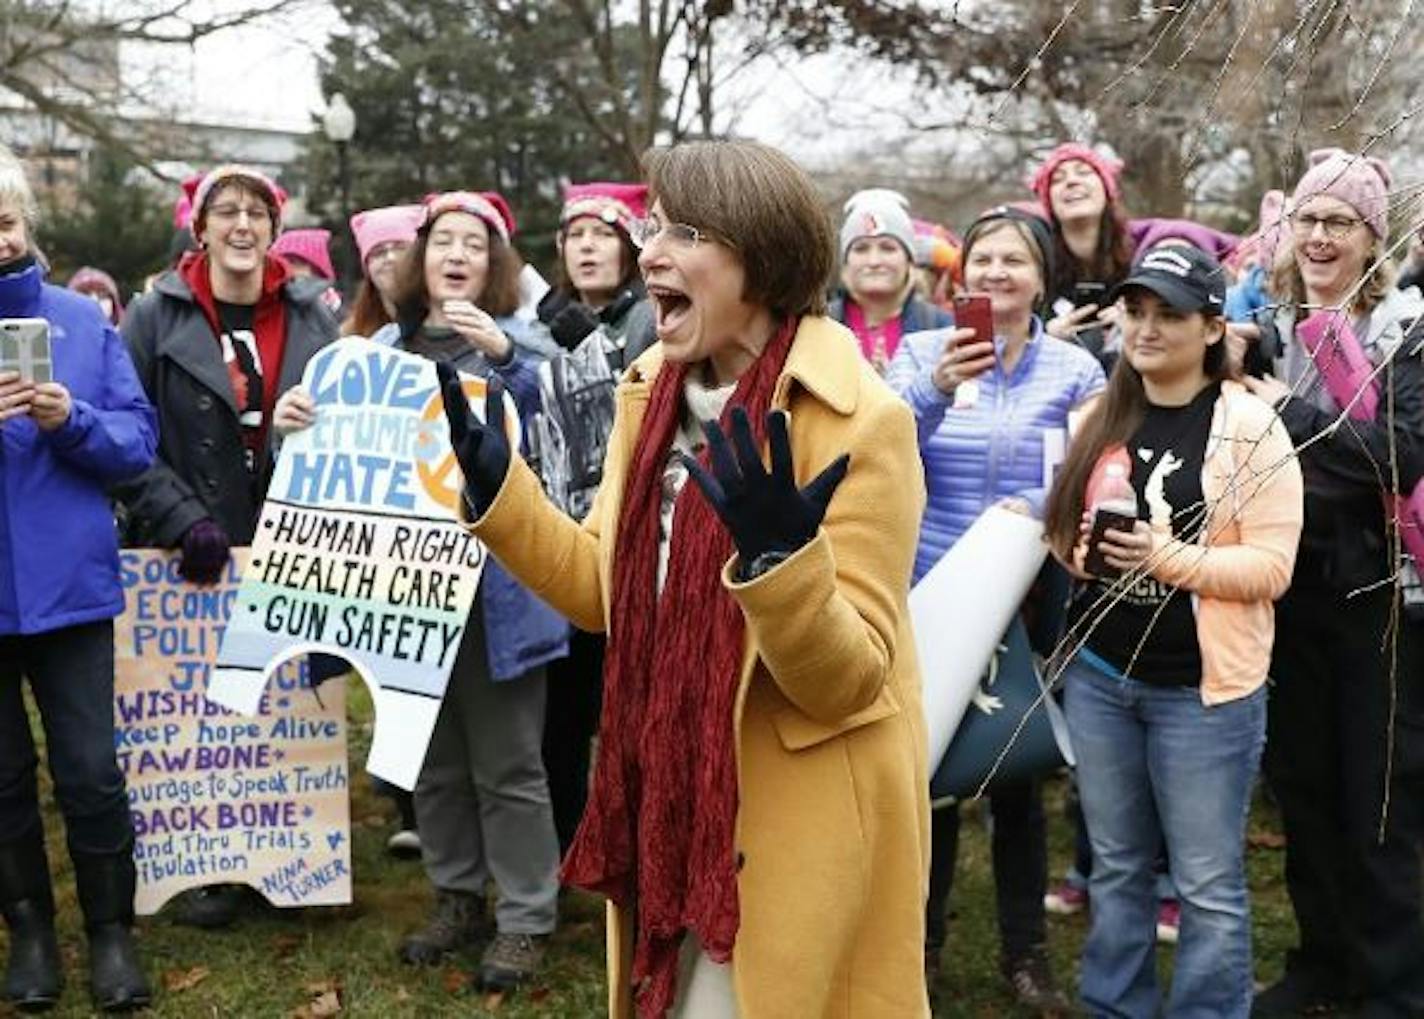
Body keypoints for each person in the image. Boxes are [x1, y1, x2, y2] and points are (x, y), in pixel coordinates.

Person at [439, 140, 930, 1017]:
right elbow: (604, 591)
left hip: (793, 818)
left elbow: (851, 680)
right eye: (654, 227)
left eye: (686, 231)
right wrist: (503, 493)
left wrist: (784, 565)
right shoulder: (651, 392)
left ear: (763, 257)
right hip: (670, 793)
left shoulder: (863, 420)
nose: (650, 251)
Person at [278, 190, 569, 992]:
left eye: (476, 244)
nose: (458, 254)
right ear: (419, 256)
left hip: (497, 591)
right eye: (445, 240)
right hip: (404, 588)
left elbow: (571, 421)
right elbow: (329, 464)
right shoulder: (372, 347)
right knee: (432, 758)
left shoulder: (525, 343)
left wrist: (509, 361)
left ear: (496, 265)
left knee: (509, 763)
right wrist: (295, 423)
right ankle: (456, 895)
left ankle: (524, 915)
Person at [1041, 243, 1303, 1017]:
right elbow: (1063, 540)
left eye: (1169, 314)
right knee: (1117, 865)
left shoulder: (1251, 425)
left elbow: (1271, 568)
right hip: (1101, 676)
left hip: (1204, 694)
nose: (1146, 329)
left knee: (1206, 881)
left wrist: (1167, 556)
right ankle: (1114, 1004)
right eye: (1136, 311)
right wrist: (1080, 542)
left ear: (1213, 327)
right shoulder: (1095, 415)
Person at [886, 204, 1104, 1011]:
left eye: (1015, 261)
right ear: (959, 275)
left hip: (1027, 593)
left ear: (1042, 276)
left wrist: (1039, 510)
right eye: (983, 260)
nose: (996, 274)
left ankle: (1026, 953)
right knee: (929, 770)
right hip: (928, 590)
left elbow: (1091, 465)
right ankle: (919, 947)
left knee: (1017, 773)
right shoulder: (919, 350)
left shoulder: (1076, 370)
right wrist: (936, 387)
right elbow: (876, 447)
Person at [113, 164, 339, 929]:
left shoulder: (314, 314)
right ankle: (209, 866)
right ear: (199, 226)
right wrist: (180, 519)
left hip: (287, 537)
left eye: (257, 213)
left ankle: (287, 855)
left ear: (276, 230)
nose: (241, 226)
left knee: (280, 702)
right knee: (200, 714)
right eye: (226, 212)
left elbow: (345, 425)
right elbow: (124, 432)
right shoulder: (154, 315)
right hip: (190, 548)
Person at [1242, 150, 1424, 1018]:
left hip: (1379, 598)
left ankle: (1393, 985)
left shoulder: (1406, 331)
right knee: (1303, 783)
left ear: (1370, 240)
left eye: (1340, 223)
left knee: (1380, 797)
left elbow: (1398, 455)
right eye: (1309, 219)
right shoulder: (1266, 328)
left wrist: (1289, 411)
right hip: (1283, 590)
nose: (1319, 236)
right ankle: (1323, 960)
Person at [0, 146, 158, 1012]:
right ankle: (28, 931)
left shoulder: (82, 322)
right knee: (1, 775)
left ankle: (110, 933)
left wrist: (73, 418)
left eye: (4, 221)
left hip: (71, 590)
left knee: (92, 769)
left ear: (27, 225)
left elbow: (137, 444)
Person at [525, 181, 655, 854]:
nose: (587, 247)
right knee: (564, 712)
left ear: (628, 247)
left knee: (630, 705)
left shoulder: (649, 317)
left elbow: (646, 397)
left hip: (632, 534)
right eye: (575, 236)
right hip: (559, 537)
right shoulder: (533, 322)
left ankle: (635, 845)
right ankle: (572, 845)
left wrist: (587, 346)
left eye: (602, 234)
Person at [1031, 143, 1136, 361]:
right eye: (1058, 179)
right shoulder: (1035, 270)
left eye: (1084, 172)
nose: (1071, 181)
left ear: (1107, 191)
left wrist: (1137, 321)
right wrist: (1047, 339)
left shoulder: (1140, 260)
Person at [830, 188, 952, 374]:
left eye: (888, 248)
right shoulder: (819, 324)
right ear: (846, 261)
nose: (874, 261)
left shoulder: (941, 326)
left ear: (909, 260)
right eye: (861, 249)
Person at [342, 204, 423, 337]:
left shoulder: (441, 324)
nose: (390, 258)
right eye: (378, 252)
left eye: (400, 248)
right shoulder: (352, 335)